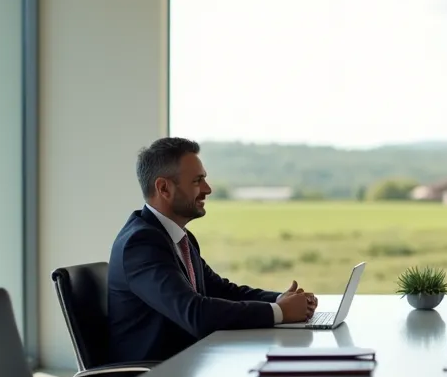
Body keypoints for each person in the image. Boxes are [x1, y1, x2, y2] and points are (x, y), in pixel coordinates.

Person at [106, 137, 314, 363]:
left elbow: (221, 290)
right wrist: (280, 312)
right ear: (164, 188)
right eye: (197, 181)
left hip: (184, 367)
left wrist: (283, 299)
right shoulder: (141, 243)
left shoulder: (178, 237)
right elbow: (195, 313)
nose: (208, 189)